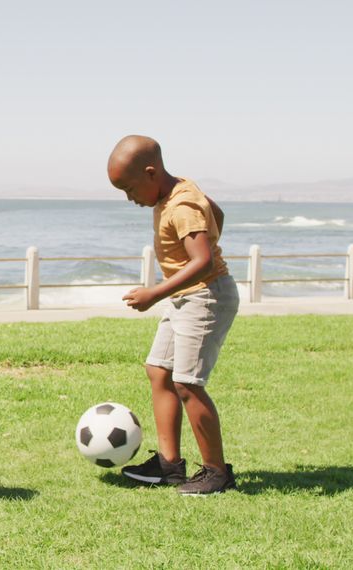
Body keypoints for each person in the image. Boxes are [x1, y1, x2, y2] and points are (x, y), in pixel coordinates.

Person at [106, 135, 240, 495]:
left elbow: (203, 261)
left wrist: (154, 293)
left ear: (151, 174)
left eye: (130, 189)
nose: (130, 198)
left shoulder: (181, 205)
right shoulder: (178, 190)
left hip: (206, 297)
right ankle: (169, 465)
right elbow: (218, 214)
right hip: (186, 295)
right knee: (159, 371)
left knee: (187, 383)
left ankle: (216, 472)